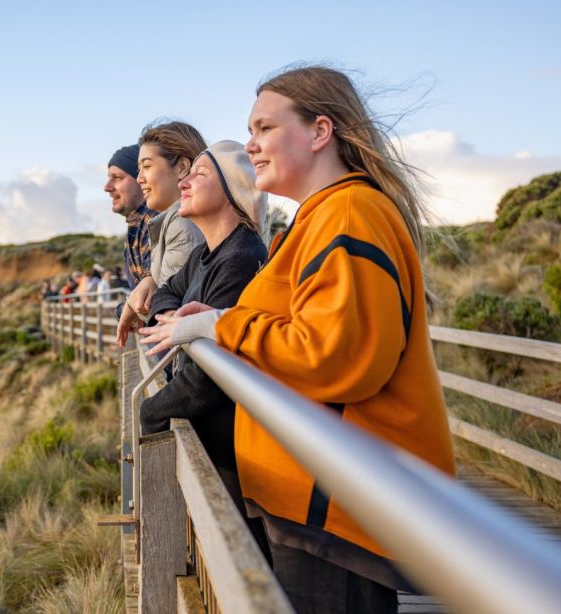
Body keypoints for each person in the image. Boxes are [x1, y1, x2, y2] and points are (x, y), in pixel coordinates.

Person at [140, 66, 455, 613]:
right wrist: (219, 319)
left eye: (264, 128)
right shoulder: (321, 218)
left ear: (319, 132)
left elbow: (336, 355)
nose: (251, 144)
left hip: (339, 507)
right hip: (315, 501)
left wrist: (219, 325)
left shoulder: (350, 214)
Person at [137, 140, 271, 554]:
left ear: (233, 191)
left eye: (201, 173)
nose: (186, 179)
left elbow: (208, 378)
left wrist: (151, 410)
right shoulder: (204, 255)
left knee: (242, 553)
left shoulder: (241, 258)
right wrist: (175, 320)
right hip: (217, 440)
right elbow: (165, 292)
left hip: (236, 451)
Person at [116, 120, 206, 347]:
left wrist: (128, 307)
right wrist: (149, 279)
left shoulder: (183, 223)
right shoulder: (170, 221)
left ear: (182, 168)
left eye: (146, 166)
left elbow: (169, 312)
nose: (140, 178)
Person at [105, 144, 156, 289]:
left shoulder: (154, 223)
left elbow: (148, 300)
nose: (107, 187)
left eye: (117, 177)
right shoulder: (136, 225)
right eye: (109, 178)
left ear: (141, 179)